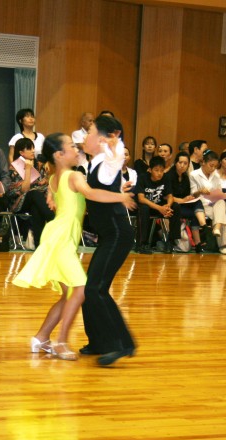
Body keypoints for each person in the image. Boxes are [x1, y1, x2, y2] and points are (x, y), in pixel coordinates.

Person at [13, 132, 135, 361]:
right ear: (59, 155)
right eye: (71, 146)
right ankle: (61, 342)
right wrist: (120, 197)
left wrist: (116, 190)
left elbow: (72, 199)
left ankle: (41, 338)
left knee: (68, 294)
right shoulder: (73, 175)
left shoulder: (54, 178)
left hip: (57, 235)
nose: (76, 149)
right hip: (62, 237)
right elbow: (91, 193)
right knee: (80, 290)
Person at [80, 115, 137, 366]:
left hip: (117, 235)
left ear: (104, 139)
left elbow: (115, 160)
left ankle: (122, 344)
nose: (85, 136)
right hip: (109, 236)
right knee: (89, 289)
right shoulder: (95, 162)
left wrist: (116, 145)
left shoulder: (107, 161)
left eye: (90, 132)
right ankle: (99, 342)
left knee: (96, 289)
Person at [7, 138, 54, 248]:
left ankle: (38, 244)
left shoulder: (39, 165)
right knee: (34, 194)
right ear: (21, 152)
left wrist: (47, 180)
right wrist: (27, 170)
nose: (33, 150)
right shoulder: (14, 167)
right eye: (29, 148)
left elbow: (44, 185)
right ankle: (53, 220)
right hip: (19, 202)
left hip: (37, 200)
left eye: (33, 148)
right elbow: (24, 190)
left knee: (36, 207)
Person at [190, 149, 226, 255]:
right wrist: (200, 191)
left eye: (215, 166)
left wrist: (224, 193)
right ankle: (223, 245)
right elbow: (192, 195)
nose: (213, 168)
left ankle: (216, 228)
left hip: (214, 203)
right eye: (211, 165)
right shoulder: (194, 174)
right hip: (201, 205)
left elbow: (219, 192)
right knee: (221, 214)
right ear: (203, 162)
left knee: (221, 202)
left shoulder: (216, 175)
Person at [166, 151, 205, 252]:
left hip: (182, 205)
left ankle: (198, 243)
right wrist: (182, 200)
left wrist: (189, 198)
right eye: (180, 162)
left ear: (188, 165)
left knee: (197, 204)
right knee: (178, 207)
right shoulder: (168, 176)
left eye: (185, 163)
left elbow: (186, 195)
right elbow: (166, 196)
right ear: (175, 163)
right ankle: (171, 241)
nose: (182, 165)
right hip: (171, 205)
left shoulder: (185, 177)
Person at [135, 156, 172, 254]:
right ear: (150, 170)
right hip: (146, 207)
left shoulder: (166, 178)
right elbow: (141, 199)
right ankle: (142, 244)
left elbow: (170, 196)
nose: (159, 173)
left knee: (175, 206)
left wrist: (168, 206)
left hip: (159, 207)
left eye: (162, 170)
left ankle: (171, 241)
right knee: (144, 208)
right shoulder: (142, 178)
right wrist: (160, 208)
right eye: (156, 170)